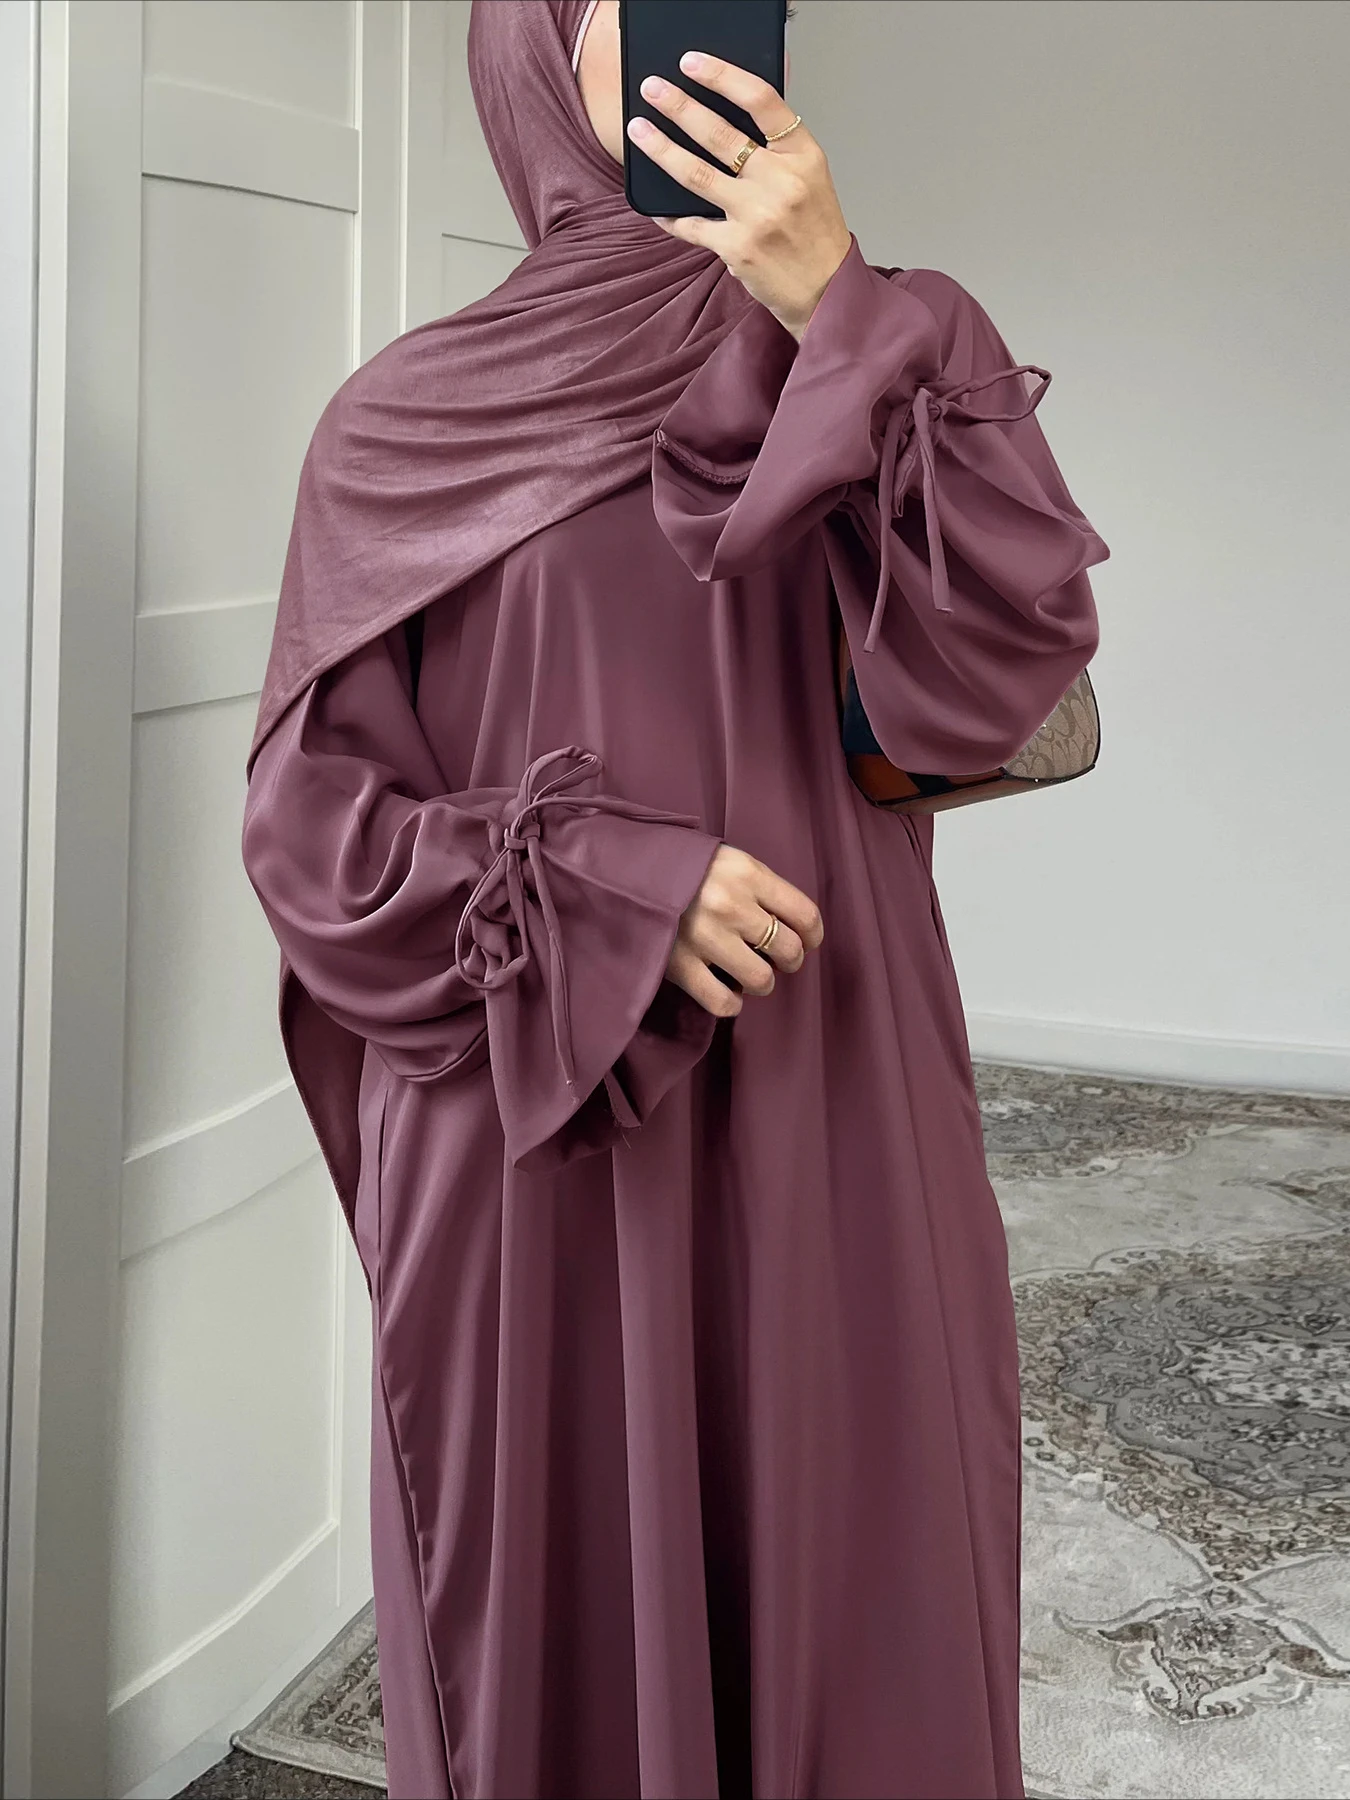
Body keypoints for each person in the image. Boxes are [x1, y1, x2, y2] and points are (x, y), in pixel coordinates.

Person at [240, 2, 1108, 1795]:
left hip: (833, 1086)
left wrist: (835, 311)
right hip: (549, 1135)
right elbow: (319, 841)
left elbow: (998, 678)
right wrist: (610, 883)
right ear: (527, 60)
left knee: (863, 1585)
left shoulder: (900, 338)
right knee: (559, 1614)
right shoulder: (399, 424)